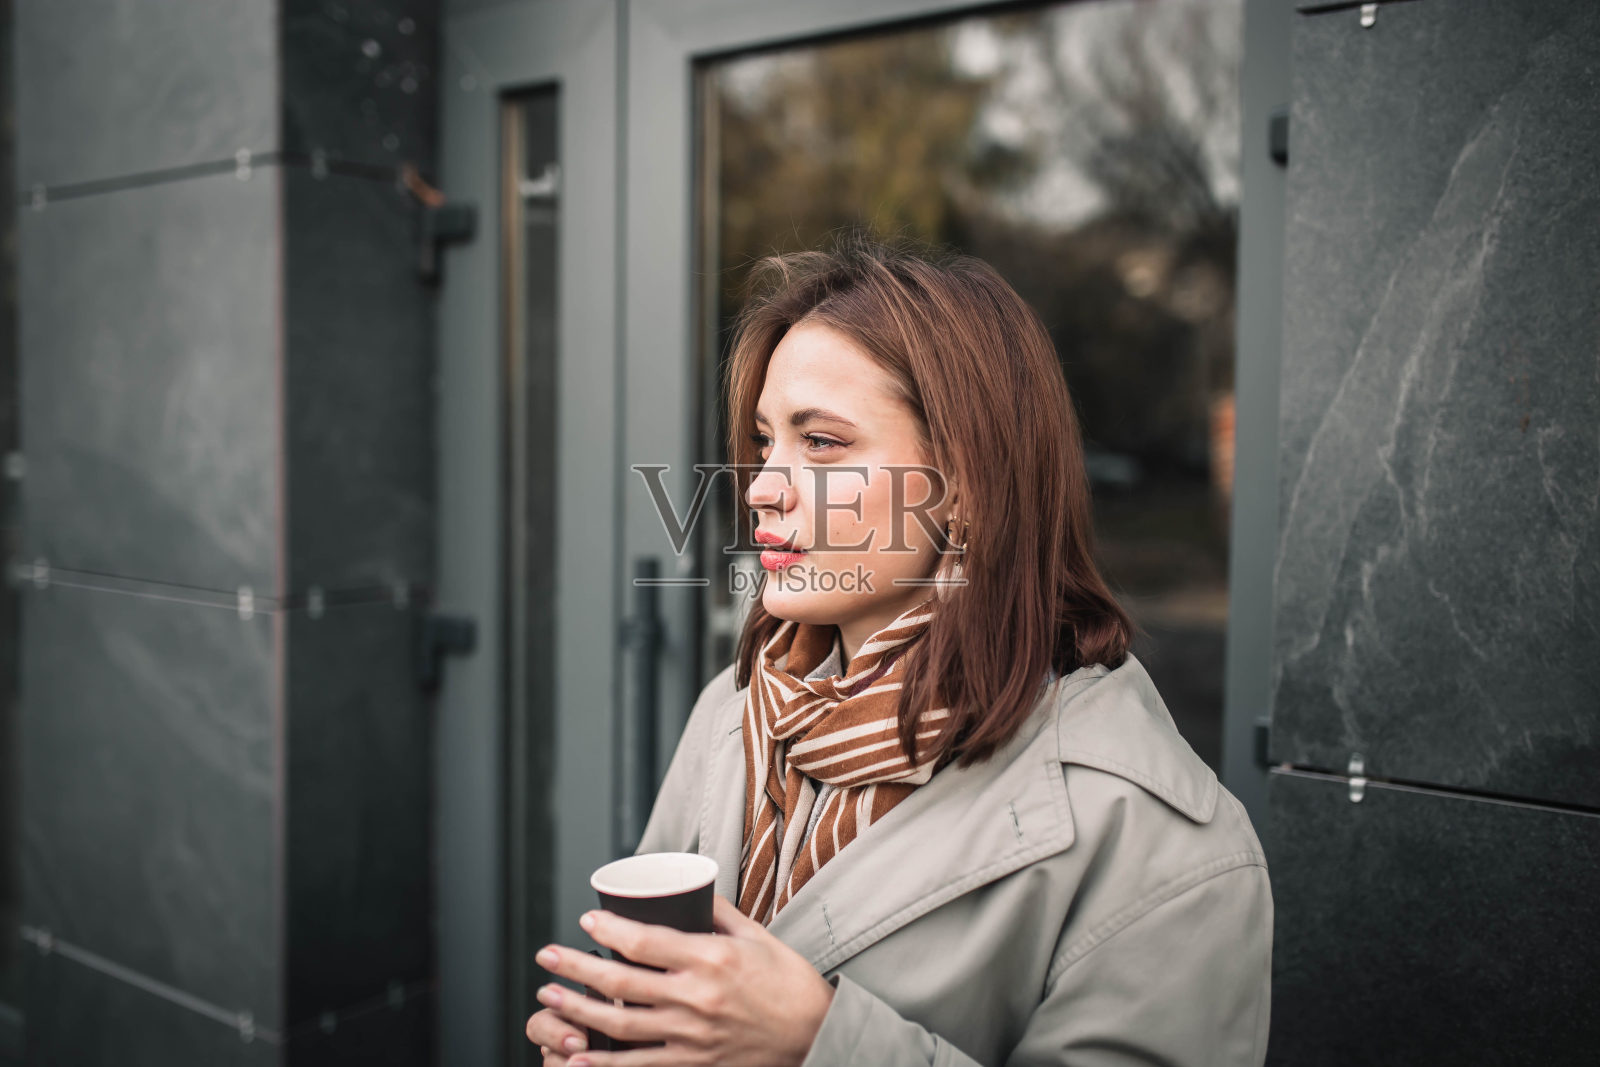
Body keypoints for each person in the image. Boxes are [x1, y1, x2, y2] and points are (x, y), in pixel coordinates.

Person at [525, 234, 1272, 1066]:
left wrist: (817, 1042)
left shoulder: (1152, 832)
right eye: (767, 439)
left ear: (962, 489)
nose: (762, 484)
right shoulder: (733, 713)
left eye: (823, 443)